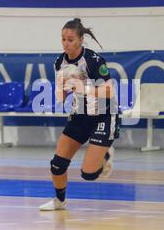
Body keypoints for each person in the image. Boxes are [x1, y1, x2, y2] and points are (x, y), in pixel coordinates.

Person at [39, 18, 120, 211]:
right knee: (57, 165)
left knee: (89, 174)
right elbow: (61, 94)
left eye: (70, 39)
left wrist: (84, 87)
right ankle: (60, 201)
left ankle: (106, 154)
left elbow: (110, 92)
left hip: (103, 114)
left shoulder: (93, 60)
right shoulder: (60, 61)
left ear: (81, 40)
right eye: (63, 39)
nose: (66, 44)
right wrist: (64, 89)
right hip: (80, 114)